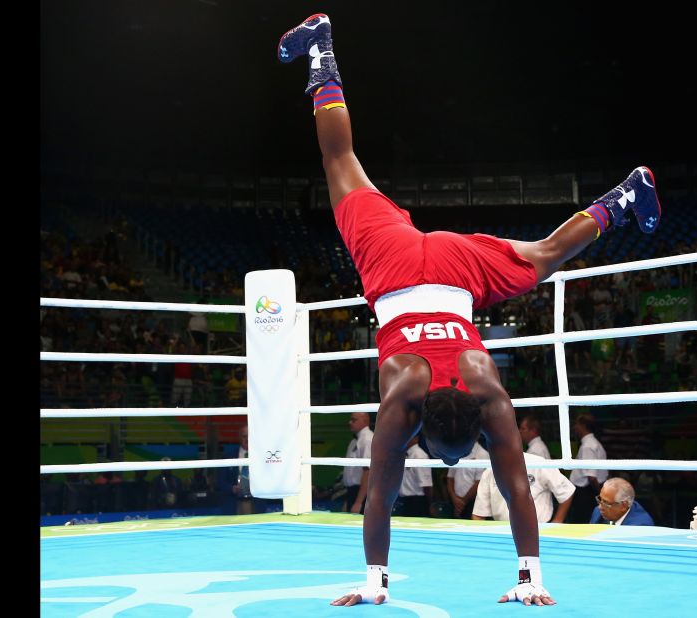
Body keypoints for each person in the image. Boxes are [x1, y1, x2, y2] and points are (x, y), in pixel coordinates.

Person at [278, 12, 661, 607]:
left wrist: (376, 582)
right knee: (339, 163)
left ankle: (626, 193)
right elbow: (486, 489)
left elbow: (484, 489)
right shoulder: (420, 400)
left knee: (547, 255)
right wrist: (527, 578)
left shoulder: (476, 395)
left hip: (451, 270)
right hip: (400, 269)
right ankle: (320, 51)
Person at [472, 453, 574, 524]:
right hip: (504, 533)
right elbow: (478, 515)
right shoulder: (490, 469)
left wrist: (556, 523)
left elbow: (567, 491)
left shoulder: (536, 462)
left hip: (540, 530)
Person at [567, 414, 608, 524]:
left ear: (583, 426)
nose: (574, 427)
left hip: (587, 493)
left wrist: (601, 496)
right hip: (589, 491)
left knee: (583, 523)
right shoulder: (592, 444)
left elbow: (591, 477)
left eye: (576, 424)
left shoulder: (588, 446)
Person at [446, 439, 489, 519]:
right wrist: (454, 498)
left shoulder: (483, 454)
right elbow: (450, 478)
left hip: (472, 503)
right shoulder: (455, 451)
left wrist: (462, 503)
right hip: (454, 502)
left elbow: (479, 483)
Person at [392, 436, 433, 518]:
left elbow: (426, 485)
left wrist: (431, 504)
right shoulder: (403, 454)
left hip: (417, 503)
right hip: (404, 501)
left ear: (416, 438)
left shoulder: (420, 455)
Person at [590, 477, 654, 526]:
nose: (600, 507)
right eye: (600, 499)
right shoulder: (598, 513)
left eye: (605, 502)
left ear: (624, 506)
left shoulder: (640, 526)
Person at [343, 412, 373, 514]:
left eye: (354, 420)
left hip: (362, 493)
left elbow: (368, 472)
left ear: (365, 421)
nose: (350, 422)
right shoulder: (355, 441)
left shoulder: (367, 440)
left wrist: (358, 502)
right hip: (352, 492)